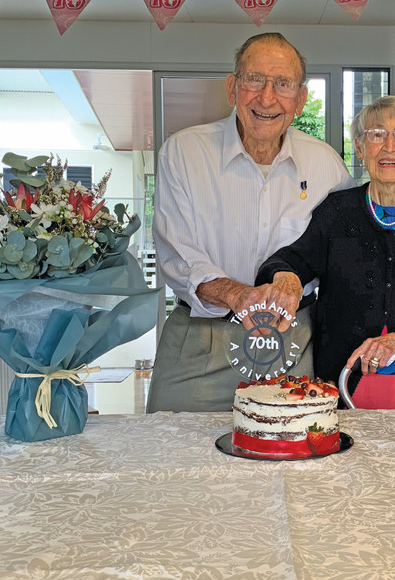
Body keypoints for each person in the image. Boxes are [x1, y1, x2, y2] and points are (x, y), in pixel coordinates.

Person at [147, 33, 354, 413]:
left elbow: (343, 259)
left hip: (293, 342)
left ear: (301, 98)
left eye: (283, 84)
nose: (267, 97)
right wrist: (238, 295)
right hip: (201, 340)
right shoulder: (184, 152)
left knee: (291, 462)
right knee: (176, 462)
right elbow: (177, 255)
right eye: (254, 79)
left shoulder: (327, 165)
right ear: (232, 87)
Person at [255, 95, 395, 409]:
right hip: (345, 387)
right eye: (376, 134)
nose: (389, 146)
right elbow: (291, 259)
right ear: (361, 149)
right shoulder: (338, 212)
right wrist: (286, 277)